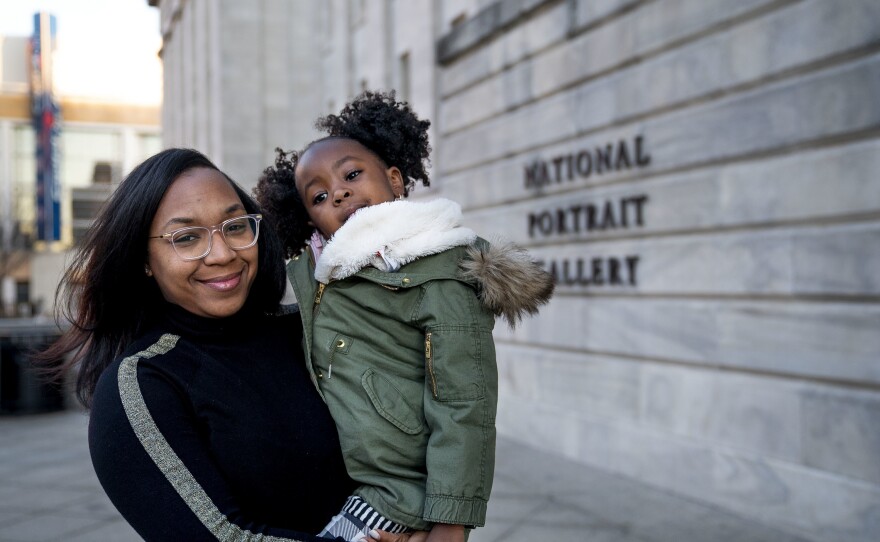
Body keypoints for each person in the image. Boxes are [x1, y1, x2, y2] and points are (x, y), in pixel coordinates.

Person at [34, 148, 417, 542]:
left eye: (234, 226)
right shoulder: (141, 384)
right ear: (144, 260)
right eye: (186, 238)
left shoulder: (313, 328)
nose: (222, 254)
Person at [255, 91, 555, 542]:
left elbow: (465, 405)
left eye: (352, 174)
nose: (338, 192)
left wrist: (451, 526)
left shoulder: (441, 271)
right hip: (350, 476)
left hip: (401, 491)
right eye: (319, 196)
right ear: (312, 222)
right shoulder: (327, 274)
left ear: (395, 180)